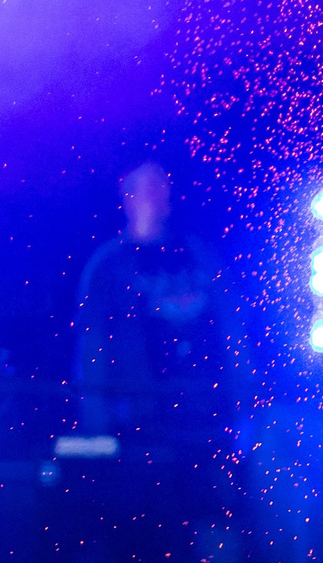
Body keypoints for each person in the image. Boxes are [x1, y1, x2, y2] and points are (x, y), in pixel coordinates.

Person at [74, 161, 234, 447]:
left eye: (164, 186)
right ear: (129, 198)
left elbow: (231, 326)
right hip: (140, 420)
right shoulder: (109, 265)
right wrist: (96, 424)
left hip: (205, 415)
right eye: (151, 187)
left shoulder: (198, 254)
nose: (161, 194)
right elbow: (93, 345)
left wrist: (241, 399)